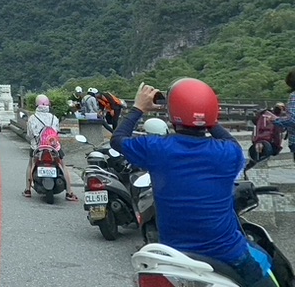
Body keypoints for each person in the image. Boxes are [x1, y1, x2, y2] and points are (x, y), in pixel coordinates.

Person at [111, 79, 275, 287]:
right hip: (228, 253)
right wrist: (207, 118)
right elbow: (230, 141)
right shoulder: (229, 153)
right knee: (267, 271)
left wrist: (138, 108)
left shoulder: (156, 148)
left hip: (175, 254)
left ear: (172, 115)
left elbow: (118, 139)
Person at [23, 94, 78, 200]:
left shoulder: (32, 118)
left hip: (37, 148)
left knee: (31, 164)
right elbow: (56, 131)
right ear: (48, 104)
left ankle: (27, 190)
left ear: (36, 104)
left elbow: (29, 135)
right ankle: (69, 192)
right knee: (62, 165)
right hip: (54, 148)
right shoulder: (54, 118)